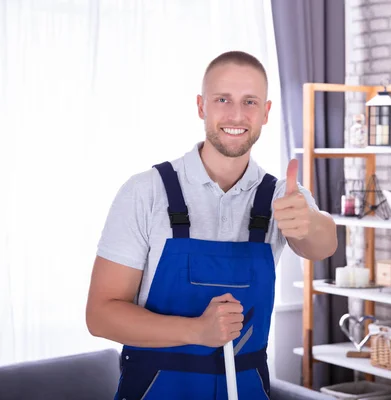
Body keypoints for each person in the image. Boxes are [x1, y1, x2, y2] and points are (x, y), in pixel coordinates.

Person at [85, 50, 338, 399]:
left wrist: (308, 222)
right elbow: (101, 316)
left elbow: (324, 245)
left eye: (250, 102)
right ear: (202, 106)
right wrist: (197, 331)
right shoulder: (146, 192)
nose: (236, 114)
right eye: (223, 99)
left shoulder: (283, 196)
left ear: (265, 113)